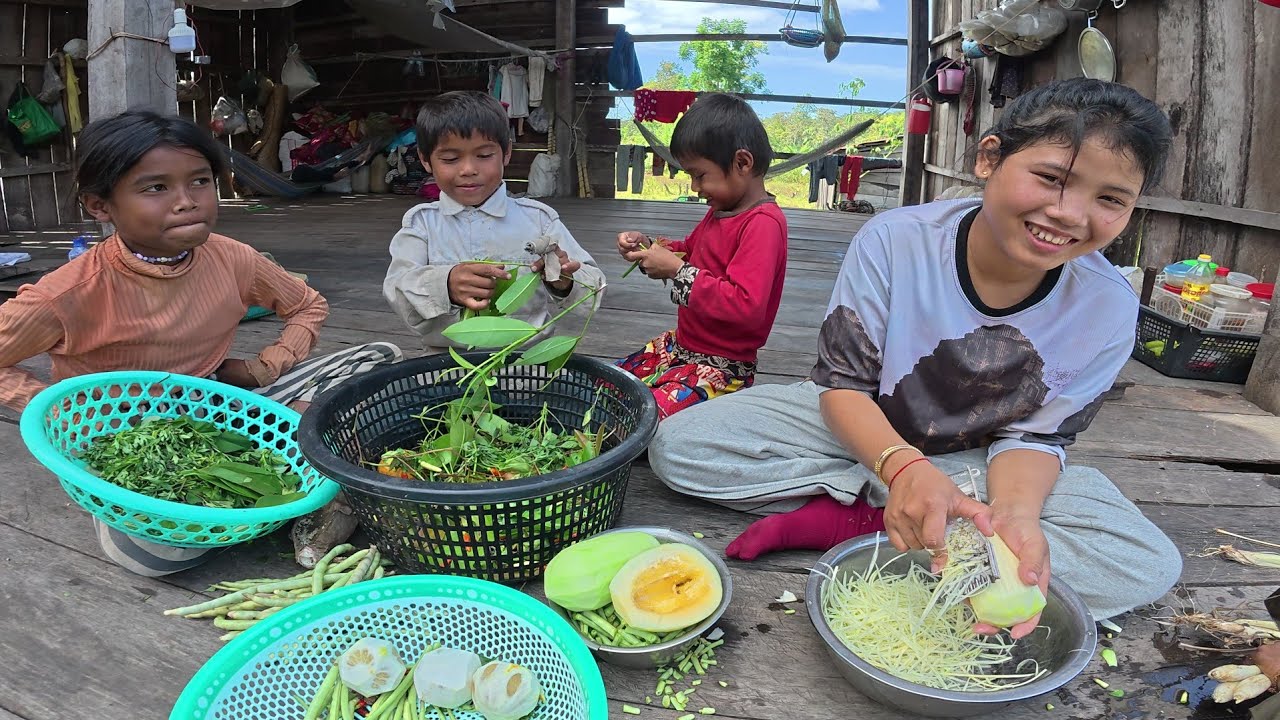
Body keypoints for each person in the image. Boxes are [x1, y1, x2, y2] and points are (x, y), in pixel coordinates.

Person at [648, 78, 1182, 632]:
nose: (1071, 214)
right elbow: (843, 387)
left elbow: (1036, 437)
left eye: (1110, 199)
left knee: (1145, 561)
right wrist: (902, 467)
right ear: (989, 159)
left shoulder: (1108, 307)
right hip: (859, 425)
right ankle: (934, 535)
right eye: (1051, 178)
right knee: (681, 446)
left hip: (985, 463)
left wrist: (1016, 515)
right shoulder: (895, 240)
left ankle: (862, 526)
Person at [0, 110, 402, 575]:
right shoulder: (65, 294)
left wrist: (263, 369)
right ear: (99, 205)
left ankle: (298, 476)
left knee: (379, 361)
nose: (186, 202)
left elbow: (307, 306)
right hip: (120, 436)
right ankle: (313, 479)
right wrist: (66, 412)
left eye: (200, 181)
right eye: (155, 188)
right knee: (161, 557)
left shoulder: (232, 259)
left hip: (220, 405)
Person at [384, 91, 604, 354]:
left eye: (484, 155)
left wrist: (565, 281)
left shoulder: (539, 220)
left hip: (528, 363)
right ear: (425, 160)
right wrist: (445, 283)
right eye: (451, 159)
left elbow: (594, 287)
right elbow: (396, 288)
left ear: (506, 153)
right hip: (447, 366)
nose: (468, 169)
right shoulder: (421, 224)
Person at [615, 94, 788, 419]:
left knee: (639, 417)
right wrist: (649, 246)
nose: (695, 187)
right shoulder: (722, 210)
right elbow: (690, 251)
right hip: (681, 346)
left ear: (742, 163)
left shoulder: (762, 224)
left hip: (720, 367)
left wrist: (678, 272)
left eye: (700, 175)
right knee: (612, 386)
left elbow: (747, 307)